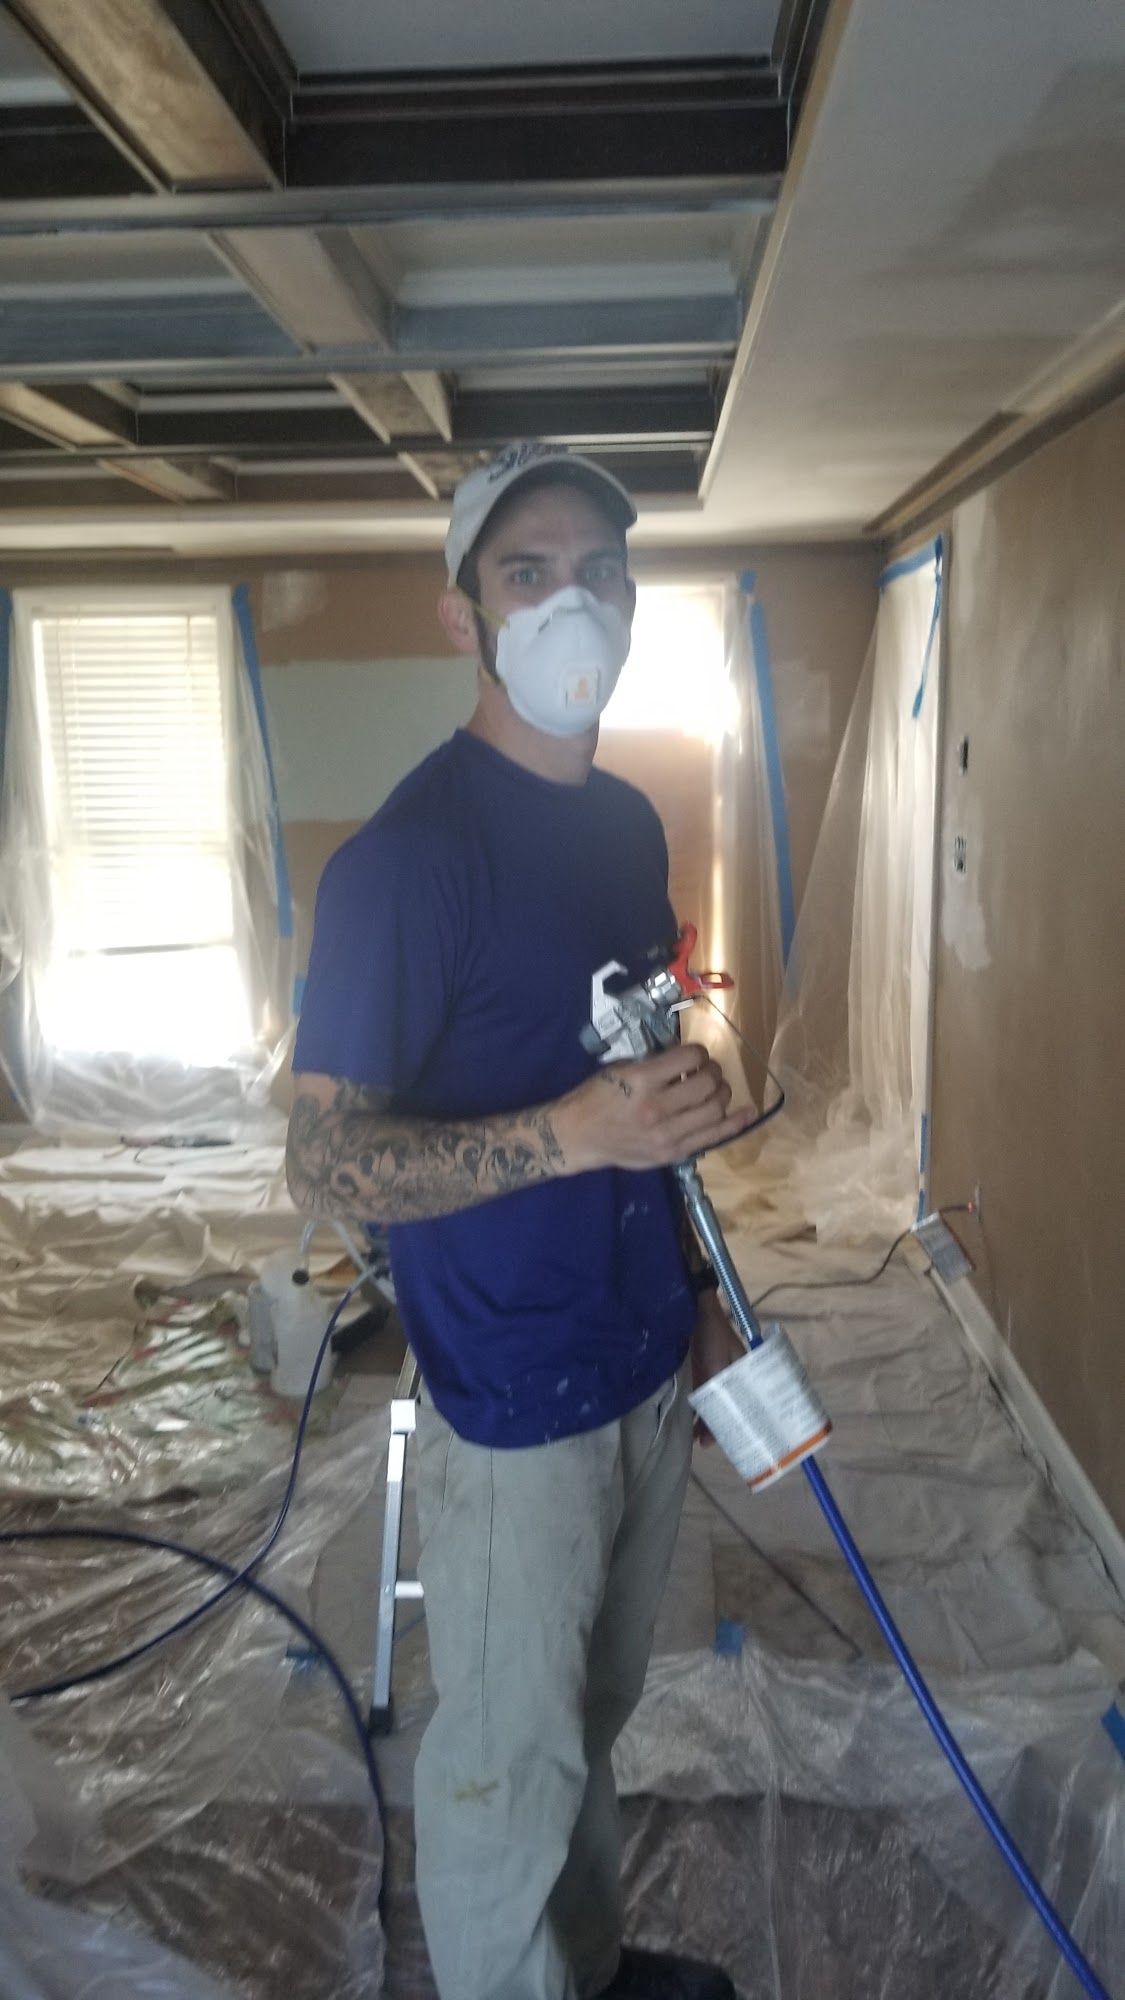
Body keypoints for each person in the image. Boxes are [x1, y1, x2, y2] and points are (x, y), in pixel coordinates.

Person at [287, 441, 749, 2000]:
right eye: (526, 572)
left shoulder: (623, 826)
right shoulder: (406, 863)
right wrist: (566, 1137)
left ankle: (588, 1969)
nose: (572, 604)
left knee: (587, 1724)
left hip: (631, 1355)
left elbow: (635, 1075)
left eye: (599, 572)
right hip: (509, 1395)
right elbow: (328, 1168)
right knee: (501, 1765)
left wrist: (688, 1290)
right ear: (462, 617)